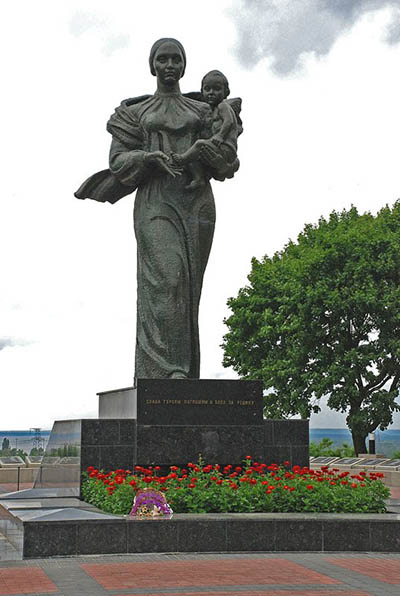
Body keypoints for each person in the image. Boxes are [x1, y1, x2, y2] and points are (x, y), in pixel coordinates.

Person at [75, 39, 240, 379]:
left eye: (175, 59)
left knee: (189, 289)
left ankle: (184, 372)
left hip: (196, 204)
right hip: (155, 199)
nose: (169, 65)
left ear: (184, 66)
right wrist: (146, 158)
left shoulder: (203, 110)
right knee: (169, 278)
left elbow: (228, 160)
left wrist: (216, 154)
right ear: (152, 65)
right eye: (162, 59)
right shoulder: (135, 112)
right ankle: (167, 372)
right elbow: (117, 161)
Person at [172, 70, 241, 190]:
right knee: (192, 154)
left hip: (225, 148)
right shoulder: (210, 109)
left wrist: (220, 136)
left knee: (197, 145)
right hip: (215, 147)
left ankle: (181, 160)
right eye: (207, 89)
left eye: (216, 89)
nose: (211, 93)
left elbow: (229, 122)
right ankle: (198, 178)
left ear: (226, 92)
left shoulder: (223, 106)